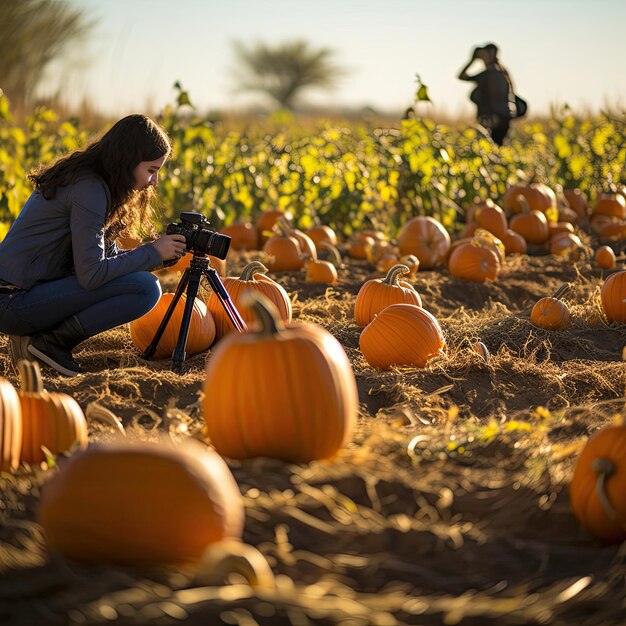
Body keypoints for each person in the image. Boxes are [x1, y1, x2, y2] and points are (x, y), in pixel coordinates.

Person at [0, 114, 187, 377]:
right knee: (144, 288)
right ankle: (49, 343)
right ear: (129, 161)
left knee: (139, 281)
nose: (153, 182)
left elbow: (103, 261)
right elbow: (92, 274)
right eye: (151, 171)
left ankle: (40, 339)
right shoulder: (89, 187)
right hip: (11, 302)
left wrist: (154, 254)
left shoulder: (94, 182)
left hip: (24, 293)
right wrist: (151, 253)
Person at [457, 43, 517, 146]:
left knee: (491, 149)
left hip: (493, 120)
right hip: (502, 118)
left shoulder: (491, 74)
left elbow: (462, 76)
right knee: (497, 149)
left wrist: (472, 60)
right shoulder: (501, 73)